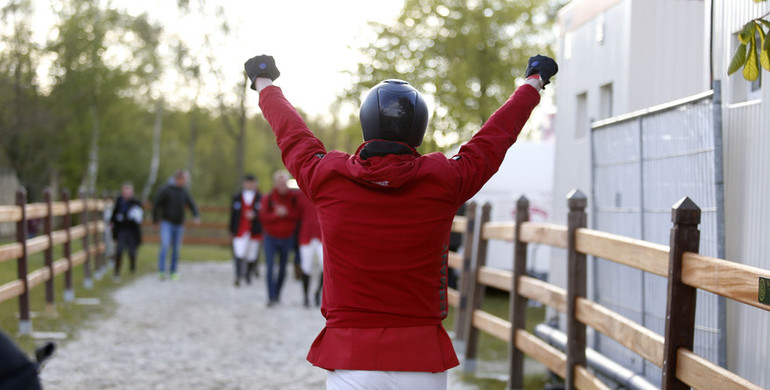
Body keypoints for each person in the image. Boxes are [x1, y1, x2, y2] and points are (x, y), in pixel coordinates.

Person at [245, 53, 556, 389]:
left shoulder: (327, 177)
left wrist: (265, 85)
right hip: (421, 360)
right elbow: (493, 140)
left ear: (366, 122)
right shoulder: (445, 180)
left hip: (351, 357)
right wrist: (532, 83)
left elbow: (291, 133)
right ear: (419, 128)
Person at [259, 169, 300, 306]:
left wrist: (287, 213)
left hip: (287, 238)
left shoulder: (294, 198)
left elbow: (298, 216)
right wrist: (276, 215)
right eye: (280, 183)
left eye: (284, 183)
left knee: (283, 268)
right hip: (270, 237)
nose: (282, 186)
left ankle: (277, 294)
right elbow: (263, 217)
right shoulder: (268, 198)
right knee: (270, 268)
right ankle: (270, 296)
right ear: (275, 183)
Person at [153, 169, 200, 281]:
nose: (184, 181)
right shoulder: (166, 190)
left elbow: (191, 203)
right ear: (178, 178)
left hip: (179, 224)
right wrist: (156, 220)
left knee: (176, 249)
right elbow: (157, 204)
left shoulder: (184, 191)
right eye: (183, 179)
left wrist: (196, 215)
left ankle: (173, 271)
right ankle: (161, 270)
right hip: (166, 222)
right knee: (165, 245)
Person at [228, 174, 263, 286]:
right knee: (239, 252)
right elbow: (233, 215)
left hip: (254, 230)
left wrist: (255, 215)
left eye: (252, 182)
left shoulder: (260, 198)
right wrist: (231, 230)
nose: (250, 184)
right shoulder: (237, 197)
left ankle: (248, 274)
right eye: (248, 182)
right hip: (240, 230)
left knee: (252, 254)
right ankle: (238, 275)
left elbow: (264, 214)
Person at [109, 182, 143, 281]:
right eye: (125, 192)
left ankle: (132, 267)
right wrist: (112, 223)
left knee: (132, 252)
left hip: (132, 230)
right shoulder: (119, 202)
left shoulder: (135, 203)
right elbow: (114, 215)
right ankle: (116, 272)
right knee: (119, 250)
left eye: (129, 192)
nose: (127, 194)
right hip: (121, 230)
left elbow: (139, 217)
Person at [296, 189, 323, 307]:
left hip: (322, 235)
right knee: (306, 267)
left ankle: (318, 293)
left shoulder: (325, 190)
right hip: (306, 234)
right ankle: (306, 296)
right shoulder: (299, 194)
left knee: (324, 266)